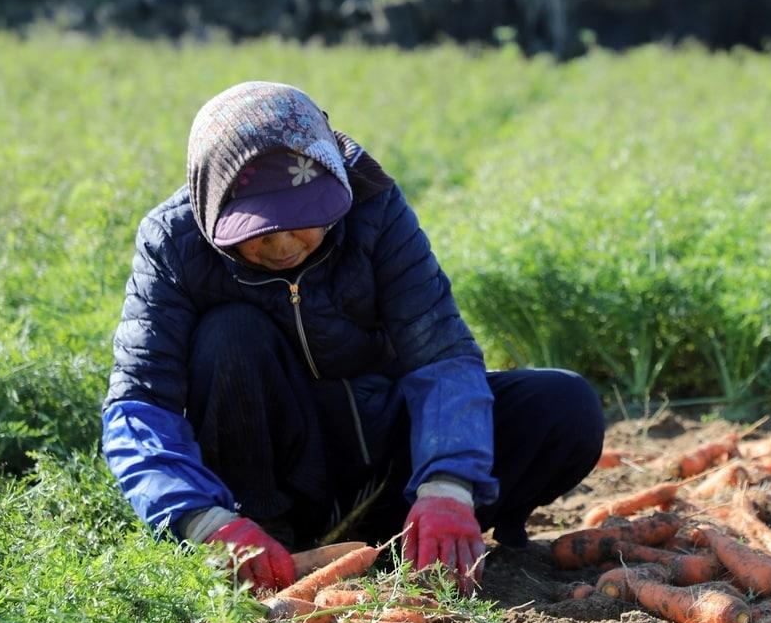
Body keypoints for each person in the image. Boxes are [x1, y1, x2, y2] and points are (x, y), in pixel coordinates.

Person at [101, 81, 604, 592]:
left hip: (385, 448)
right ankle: (269, 550)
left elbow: (440, 355)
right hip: (267, 467)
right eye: (257, 233)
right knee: (229, 333)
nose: (282, 248)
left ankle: (417, 535)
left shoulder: (371, 205)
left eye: (300, 223)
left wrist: (447, 486)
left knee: (563, 405)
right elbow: (138, 406)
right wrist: (204, 520)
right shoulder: (175, 241)